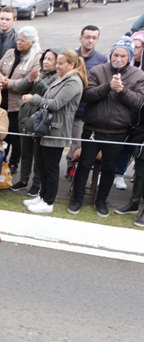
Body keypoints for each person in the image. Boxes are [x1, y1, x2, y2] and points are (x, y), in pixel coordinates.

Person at [67, 37, 144, 218]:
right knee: (84, 164)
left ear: (129, 57)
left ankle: (101, 201)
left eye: (123, 56)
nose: (118, 58)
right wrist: (108, 87)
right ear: (111, 55)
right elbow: (87, 95)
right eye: (115, 54)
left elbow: (138, 101)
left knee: (109, 168)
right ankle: (77, 199)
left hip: (118, 131)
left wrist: (122, 90)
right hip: (93, 127)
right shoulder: (97, 70)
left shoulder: (138, 75)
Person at [21, 50, 86, 214]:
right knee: (42, 164)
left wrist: (33, 98)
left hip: (57, 129)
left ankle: (48, 201)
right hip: (47, 127)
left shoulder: (73, 81)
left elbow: (56, 104)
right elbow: (49, 96)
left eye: (60, 63)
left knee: (51, 167)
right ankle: (42, 196)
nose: (57, 66)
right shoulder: (62, 78)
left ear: (71, 64)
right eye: (57, 63)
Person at [0, 26, 41, 175]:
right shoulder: (10, 53)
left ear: (32, 42)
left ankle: (14, 162)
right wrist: (0, 78)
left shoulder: (37, 58)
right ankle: (1, 159)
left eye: (23, 40)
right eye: (18, 39)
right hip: (2, 100)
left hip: (19, 104)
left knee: (15, 134)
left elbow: (30, 81)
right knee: (1, 131)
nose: (19, 42)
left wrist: (9, 83)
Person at [12, 47, 60, 196]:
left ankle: (36, 183)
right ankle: (23, 179)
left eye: (50, 59)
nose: (46, 62)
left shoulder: (58, 77)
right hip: (26, 116)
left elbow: (48, 93)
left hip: (40, 119)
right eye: (45, 58)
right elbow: (19, 88)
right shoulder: (37, 71)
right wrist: (31, 79)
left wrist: (37, 80)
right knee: (25, 152)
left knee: (37, 154)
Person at [65, 26, 108, 178]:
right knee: (58, 140)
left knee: (77, 142)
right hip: (66, 108)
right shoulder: (71, 56)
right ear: (80, 38)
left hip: (84, 110)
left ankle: (71, 167)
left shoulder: (101, 60)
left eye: (94, 37)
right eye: (87, 37)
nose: (90, 40)